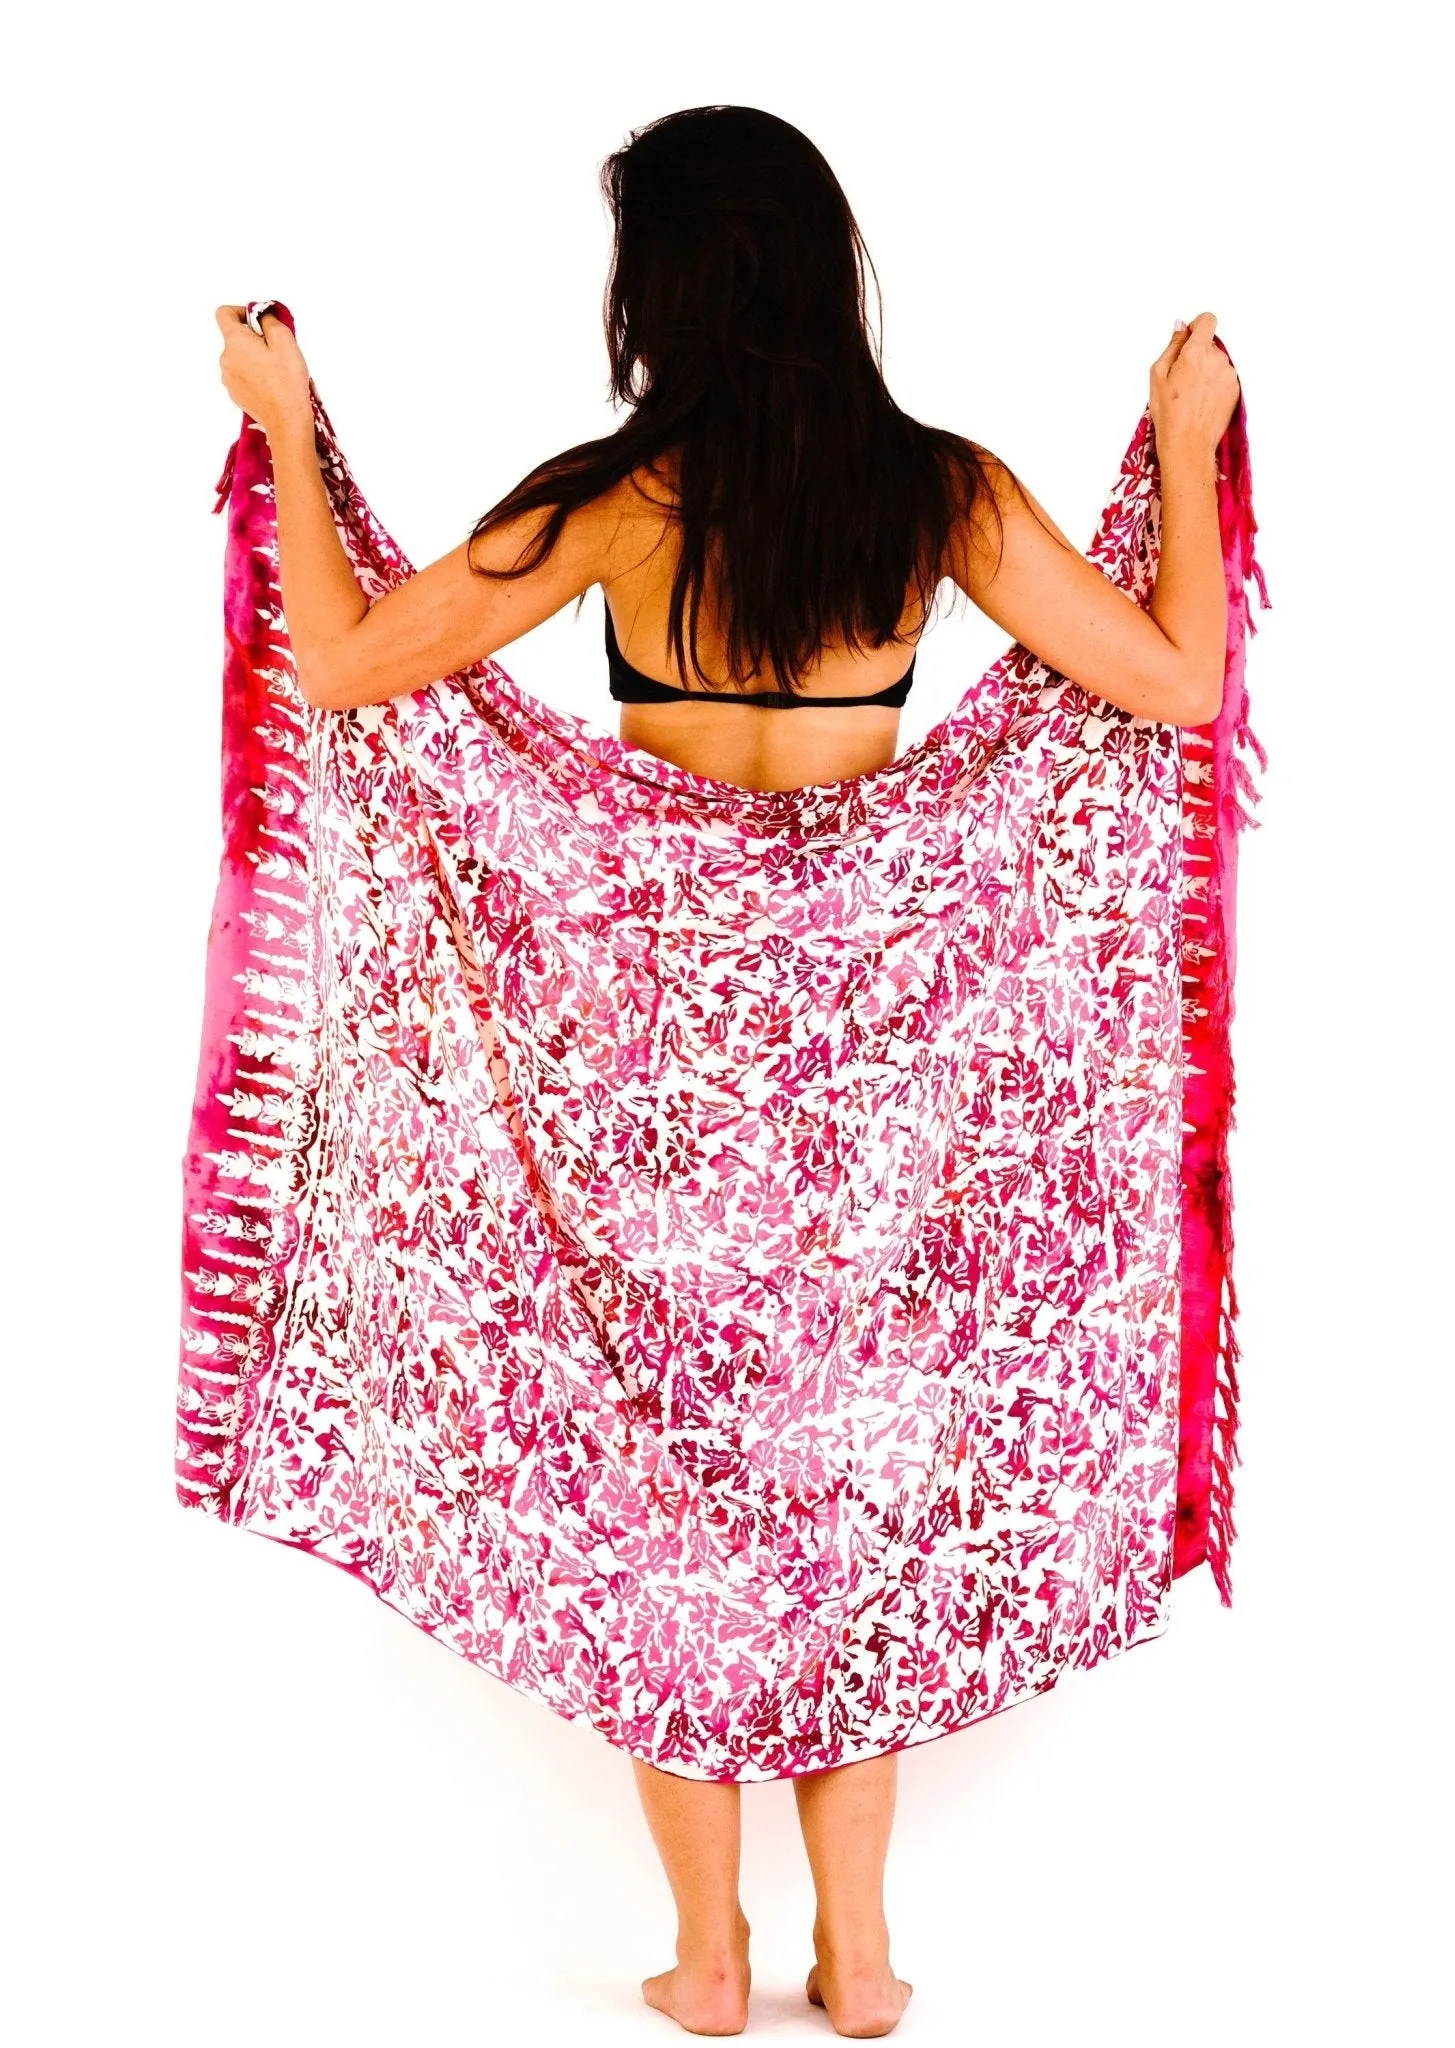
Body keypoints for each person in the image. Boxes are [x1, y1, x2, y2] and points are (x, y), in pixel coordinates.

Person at [214, 102, 1239, 2043]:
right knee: (838, 1501)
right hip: (870, 1095)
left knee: (666, 1501)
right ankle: (857, 1956)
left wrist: (285, 422)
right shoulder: (936, 495)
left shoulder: (619, 503)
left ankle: (704, 1961)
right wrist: (1181, 444)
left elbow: (341, 664)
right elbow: (1179, 679)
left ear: (667, 291)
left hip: (652, 1098)